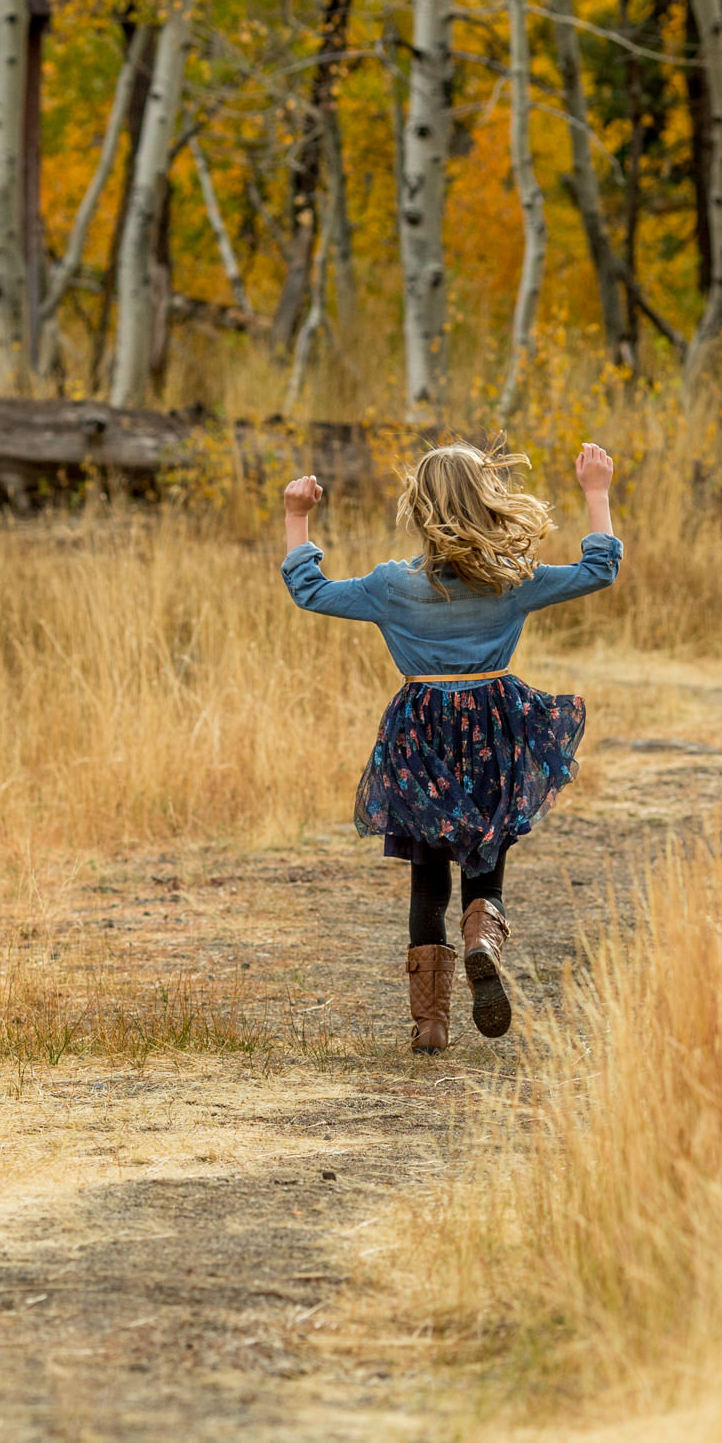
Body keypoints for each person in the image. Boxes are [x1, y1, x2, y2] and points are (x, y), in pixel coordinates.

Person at [280, 439, 620, 1054]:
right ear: (487, 502)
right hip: (494, 724)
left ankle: (430, 1025)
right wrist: (595, 491)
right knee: (485, 852)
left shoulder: (390, 586)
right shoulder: (511, 580)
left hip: (421, 732)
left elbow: (310, 590)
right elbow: (599, 570)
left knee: (427, 874)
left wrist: (297, 517)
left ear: (419, 507)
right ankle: (481, 942)